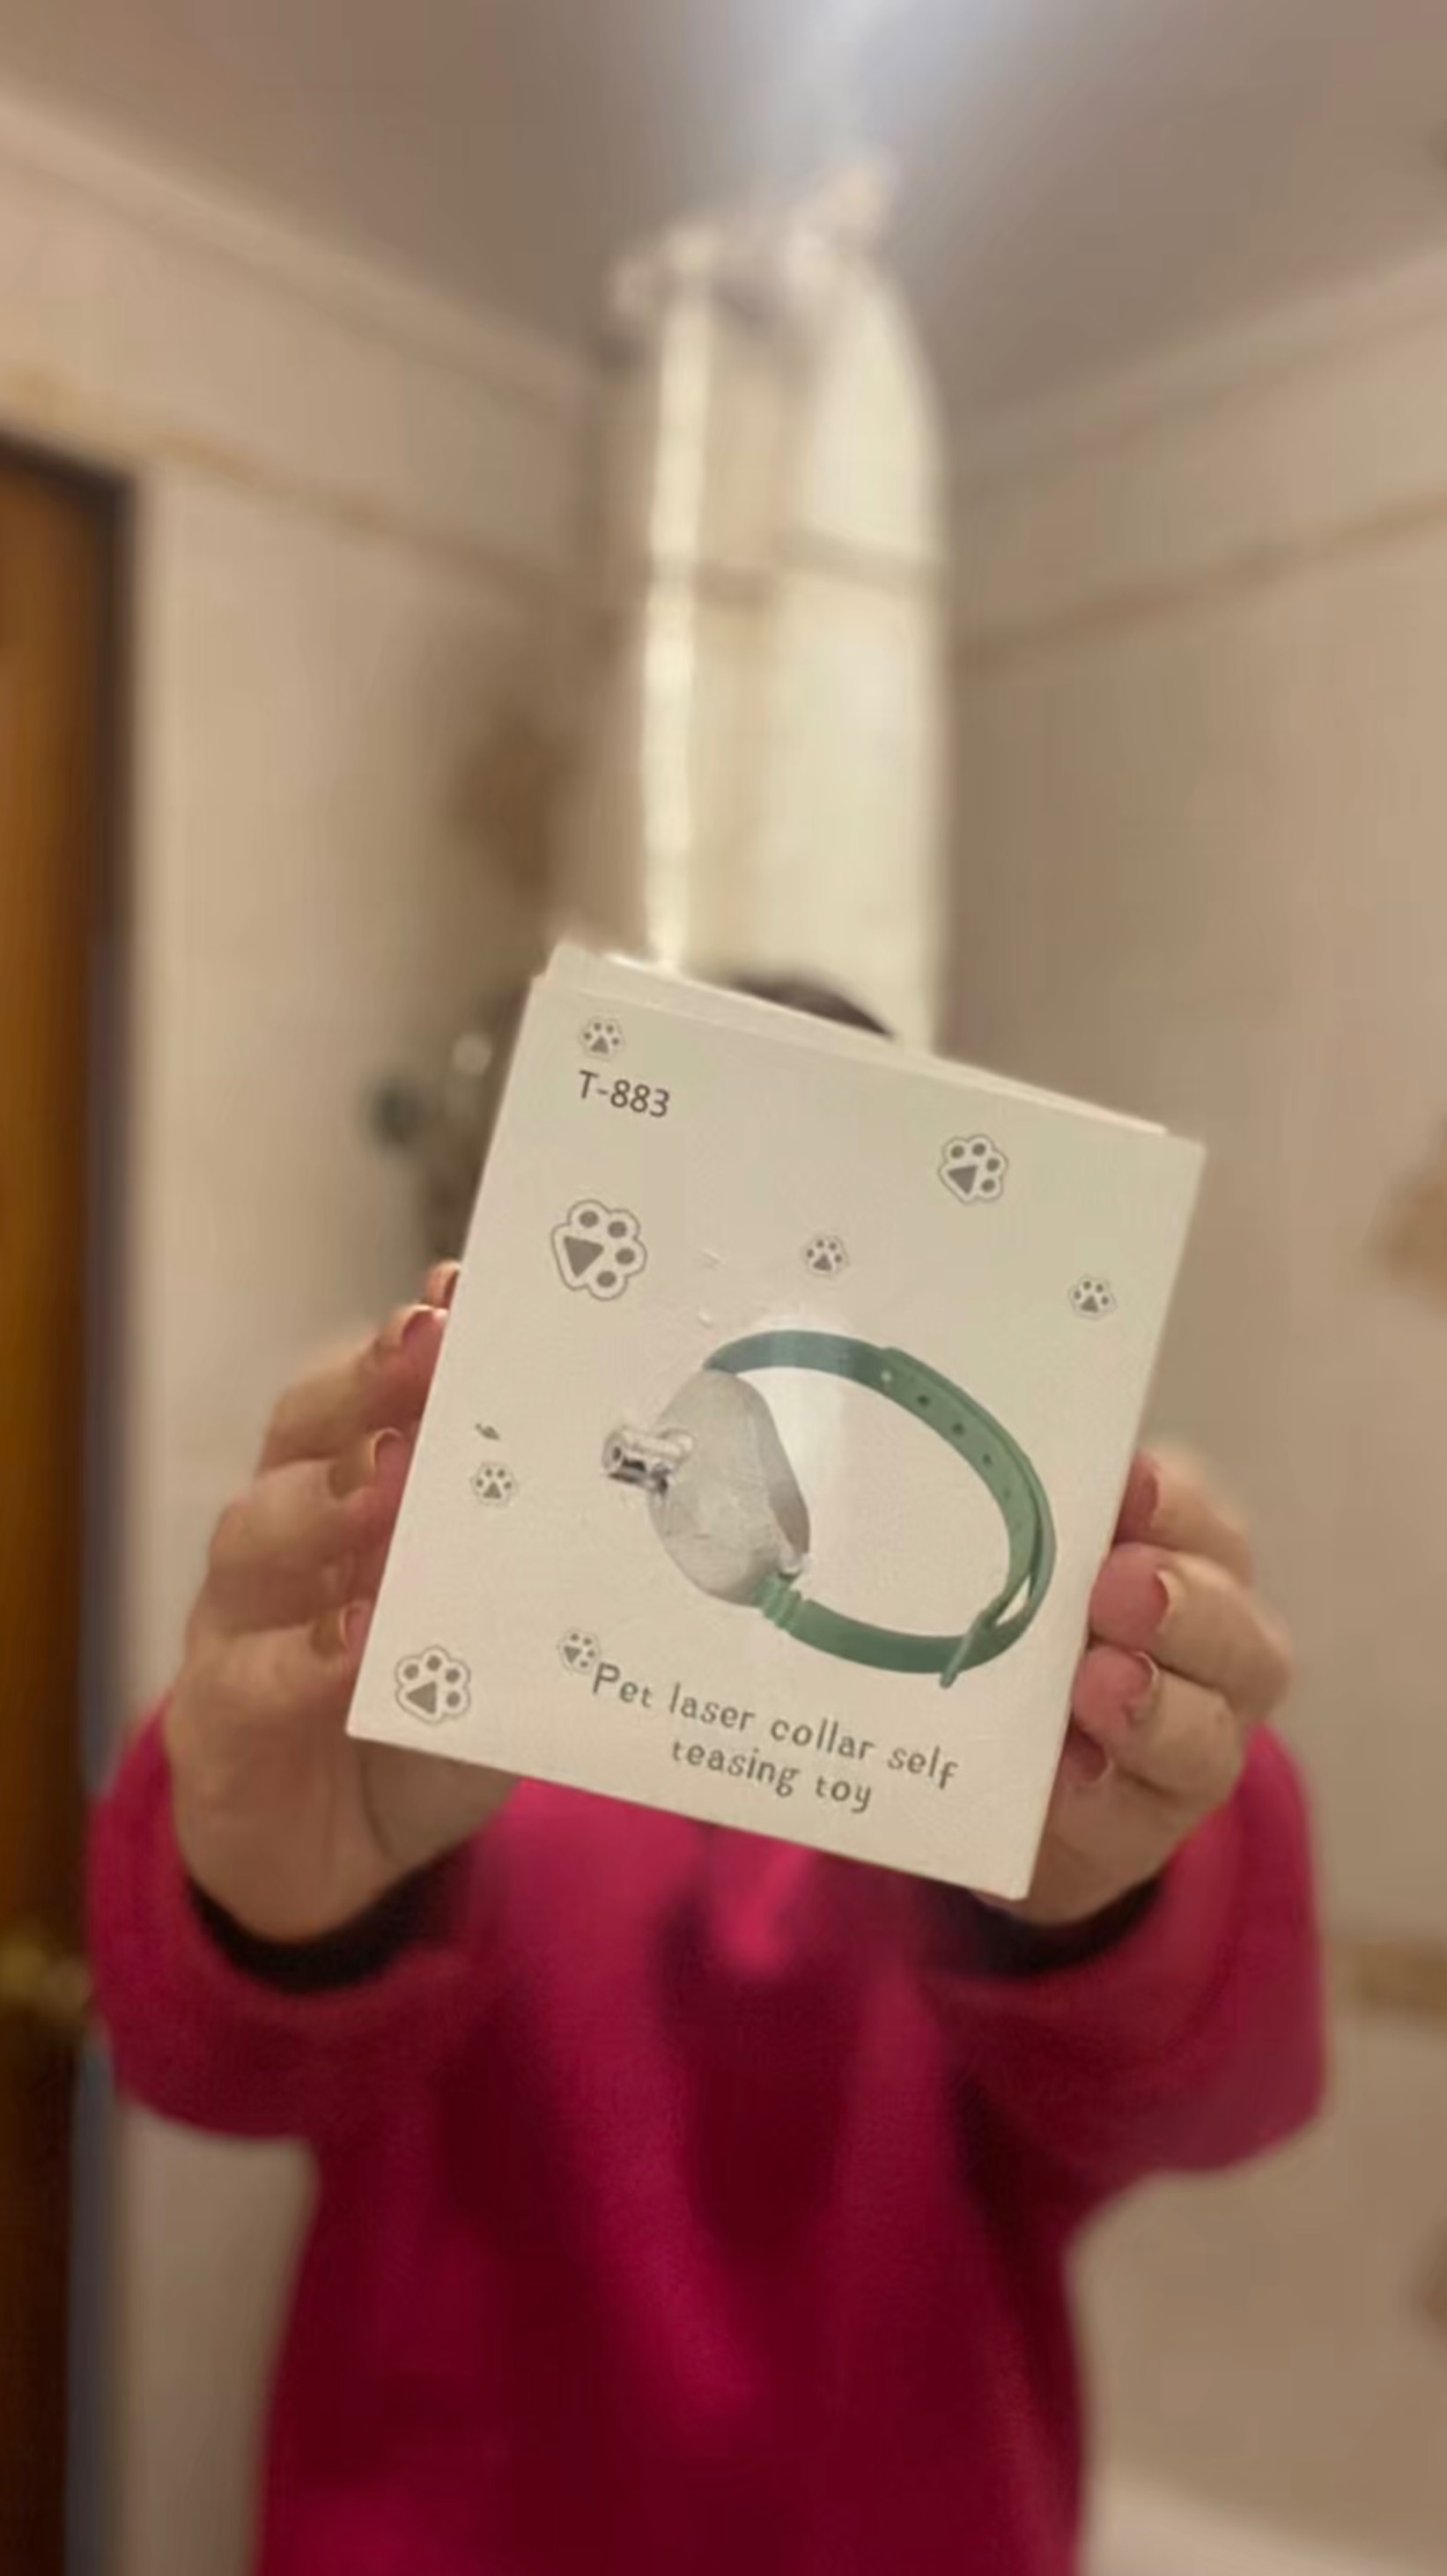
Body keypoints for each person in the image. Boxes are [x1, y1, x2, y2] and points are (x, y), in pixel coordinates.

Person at [90, 975, 1322, 2576]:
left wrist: (1114, 1867)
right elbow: (191, 2055)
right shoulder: (396, 1648)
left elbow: (1230, 2081)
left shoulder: (1036, 1695)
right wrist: (273, 1906)